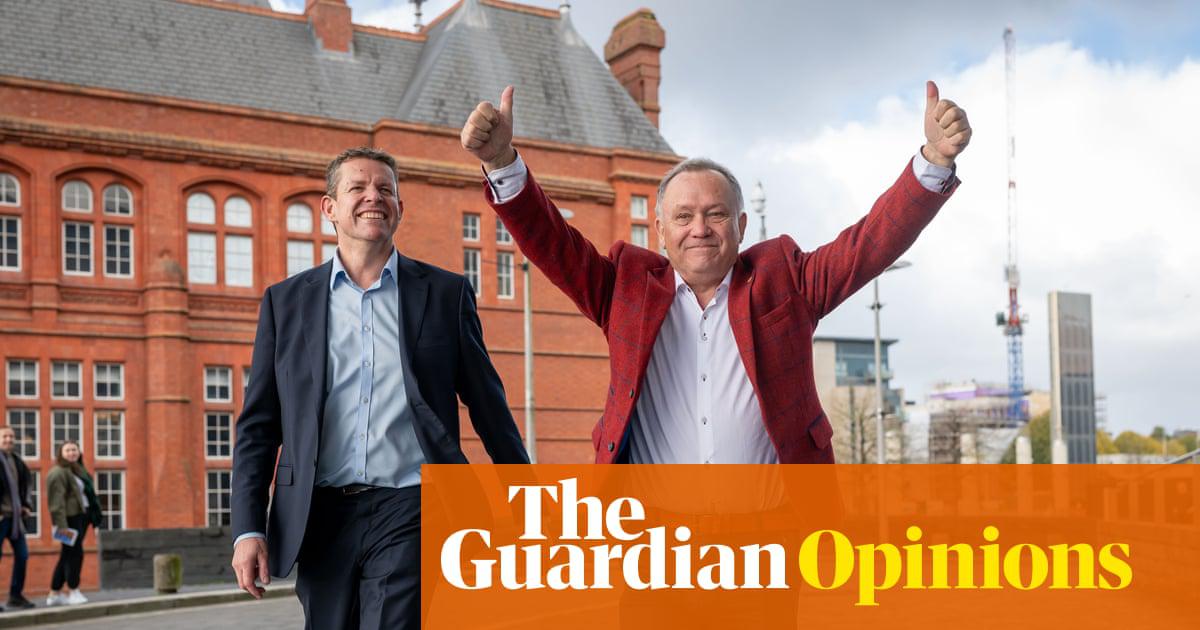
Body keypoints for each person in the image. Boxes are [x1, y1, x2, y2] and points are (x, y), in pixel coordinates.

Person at [461, 82, 970, 464]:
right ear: (660, 231)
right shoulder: (625, 289)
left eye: (716, 214)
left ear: (741, 225)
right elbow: (554, 243)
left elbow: (870, 244)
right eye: (683, 217)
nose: (699, 229)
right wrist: (502, 161)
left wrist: (933, 161)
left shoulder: (785, 283)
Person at [231, 147, 530, 629]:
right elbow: (258, 428)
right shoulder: (285, 303)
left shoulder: (445, 294)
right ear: (329, 208)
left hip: (411, 507)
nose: (374, 197)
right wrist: (247, 528)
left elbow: (488, 405)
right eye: (358, 188)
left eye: (386, 189)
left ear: (400, 208)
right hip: (319, 513)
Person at [45, 440, 101, 606]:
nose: (71, 453)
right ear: (61, 453)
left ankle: (54, 593)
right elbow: (56, 503)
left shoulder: (77, 470)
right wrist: (60, 526)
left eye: (74, 449)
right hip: (68, 520)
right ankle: (73, 591)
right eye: (67, 450)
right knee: (75, 555)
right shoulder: (58, 472)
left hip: (80, 517)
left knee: (67, 554)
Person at [0, 426, 35, 610]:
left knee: (22, 555)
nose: (8, 440)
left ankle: (15, 596)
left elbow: (26, 485)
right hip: (1, 518)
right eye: (5, 436)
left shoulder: (17, 461)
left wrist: (26, 505)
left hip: (15, 519)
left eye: (11, 437)